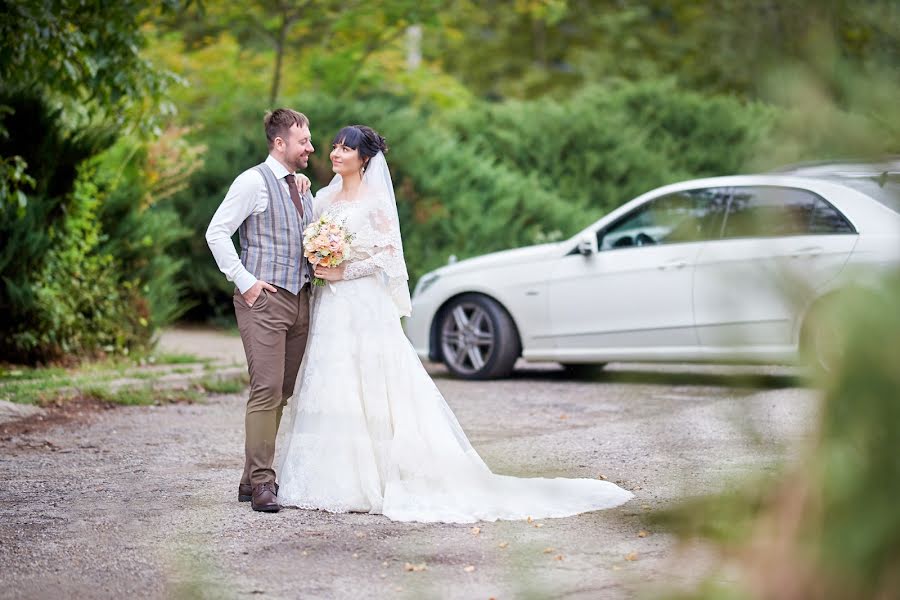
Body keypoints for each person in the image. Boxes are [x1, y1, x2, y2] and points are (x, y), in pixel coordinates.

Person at [276, 125, 633, 523]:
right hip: (332, 306)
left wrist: (348, 269)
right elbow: (309, 235)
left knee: (374, 382)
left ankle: (379, 477)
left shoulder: (376, 201)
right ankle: (333, 478)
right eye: (336, 147)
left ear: (365, 159)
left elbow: (391, 259)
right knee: (333, 380)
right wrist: (322, 262)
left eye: (346, 149)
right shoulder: (323, 197)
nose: (336, 153)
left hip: (363, 303)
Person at [205, 108, 315, 513]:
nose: (311, 148)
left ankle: (249, 480)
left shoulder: (300, 187)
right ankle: (264, 483)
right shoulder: (252, 181)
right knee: (266, 389)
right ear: (279, 143)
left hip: (301, 298)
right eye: (304, 141)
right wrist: (245, 281)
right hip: (264, 300)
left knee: (281, 392)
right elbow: (216, 232)